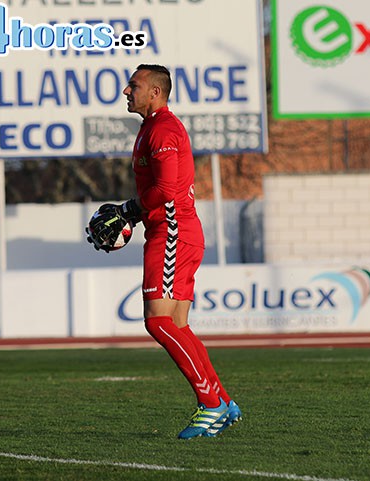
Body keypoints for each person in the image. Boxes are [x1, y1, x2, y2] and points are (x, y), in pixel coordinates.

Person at [88, 65, 242, 438]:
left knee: (157, 322)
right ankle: (222, 401)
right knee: (177, 325)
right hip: (176, 230)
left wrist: (128, 210)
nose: (126, 90)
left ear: (155, 92)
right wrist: (137, 214)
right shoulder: (151, 129)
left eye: (134, 85)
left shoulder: (163, 130)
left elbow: (167, 189)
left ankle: (210, 404)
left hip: (173, 232)